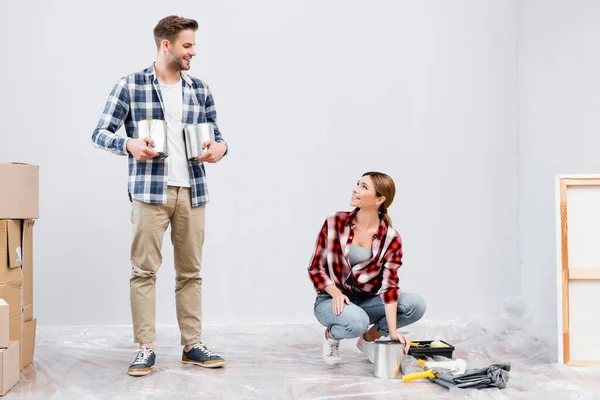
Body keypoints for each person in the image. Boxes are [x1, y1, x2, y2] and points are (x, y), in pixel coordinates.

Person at [91, 15, 228, 376]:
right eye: (187, 45)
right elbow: (100, 133)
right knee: (144, 271)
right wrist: (128, 143)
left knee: (191, 273)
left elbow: (218, 135)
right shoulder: (131, 85)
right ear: (165, 45)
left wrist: (221, 149)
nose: (192, 52)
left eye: (193, 45)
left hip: (192, 191)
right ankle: (145, 348)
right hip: (149, 193)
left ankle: (192, 344)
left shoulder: (199, 88)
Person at [308, 172, 426, 365]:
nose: (355, 189)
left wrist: (393, 332)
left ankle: (369, 339)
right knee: (357, 322)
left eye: (364, 187)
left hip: (365, 301)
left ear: (380, 199)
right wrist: (336, 293)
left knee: (415, 305)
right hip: (330, 300)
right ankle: (331, 336)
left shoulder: (391, 238)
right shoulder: (334, 222)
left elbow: (390, 288)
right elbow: (315, 269)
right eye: (357, 184)